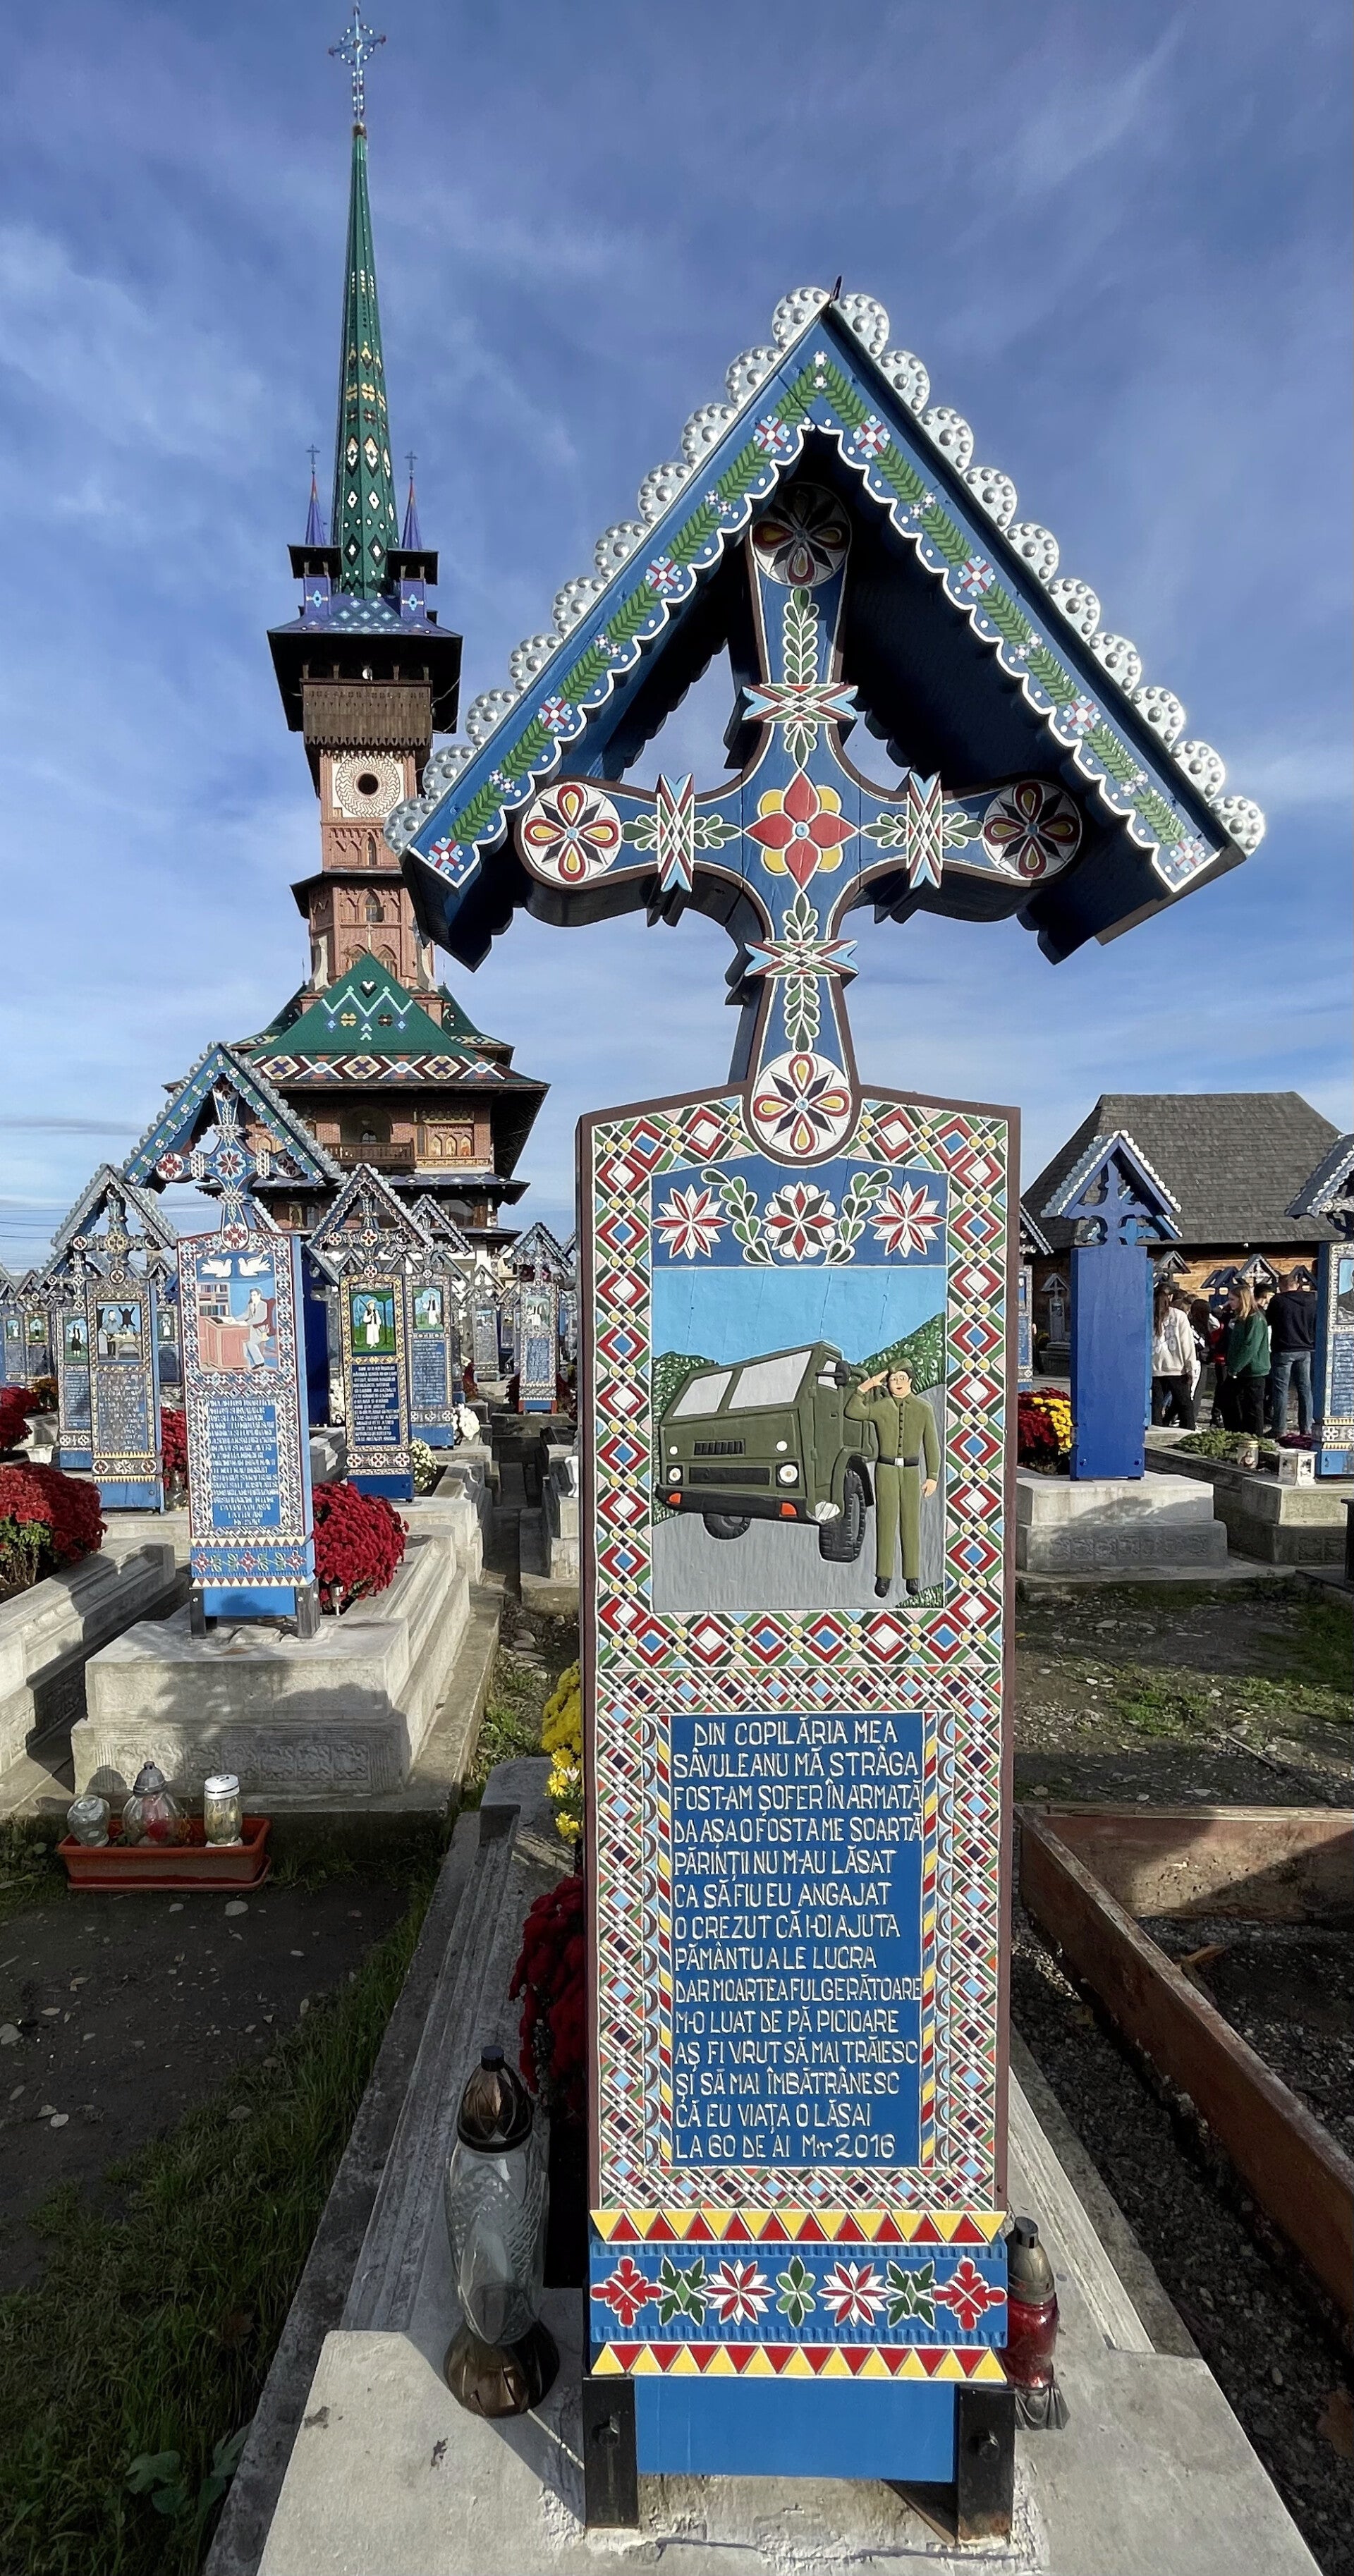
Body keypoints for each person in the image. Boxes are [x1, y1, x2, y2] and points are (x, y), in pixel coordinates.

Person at [845, 1365, 940, 1598]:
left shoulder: (923, 1408)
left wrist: (933, 1476)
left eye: (902, 1378)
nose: (897, 1383)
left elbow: (931, 1444)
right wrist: (867, 1385)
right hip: (886, 1469)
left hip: (911, 1471)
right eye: (893, 1379)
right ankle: (884, 1576)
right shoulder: (882, 1407)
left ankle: (912, 1575)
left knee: (911, 1523)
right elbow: (853, 1411)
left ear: (911, 1381)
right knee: (886, 1522)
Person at [1266, 1269, 1317, 1441]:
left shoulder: (1278, 1300)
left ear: (1281, 1286)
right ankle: (1307, 1427)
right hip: (1305, 1347)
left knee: (1281, 1390)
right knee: (1305, 1389)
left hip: (1284, 1348)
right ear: (1297, 1284)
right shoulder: (1310, 1300)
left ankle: (1280, 1428)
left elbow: (1268, 1320)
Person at [1221, 1284, 1270, 1434]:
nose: (1230, 1303)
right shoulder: (1241, 1318)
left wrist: (1235, 1367)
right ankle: (1235, 1432)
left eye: (1232, 1299)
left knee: (1253, 1408)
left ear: (1242, 1300)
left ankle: (1254, 1438)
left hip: (1253, 1370)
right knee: (1228, 1400)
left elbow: (1250, 1346)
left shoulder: (1255, 1319)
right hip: (1240, 1369)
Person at [1151, 1288, 1197, 1428]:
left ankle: (1156, 1431)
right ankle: (1189, 1431)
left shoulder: (1148, 1315)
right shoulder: (1179, 1316)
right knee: (1185, 1405)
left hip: (1154, 1367)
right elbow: (1186, 1343)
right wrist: (1191, 1367)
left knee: (1156, 1405)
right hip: (1176, 1367)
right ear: (1170, 1298)